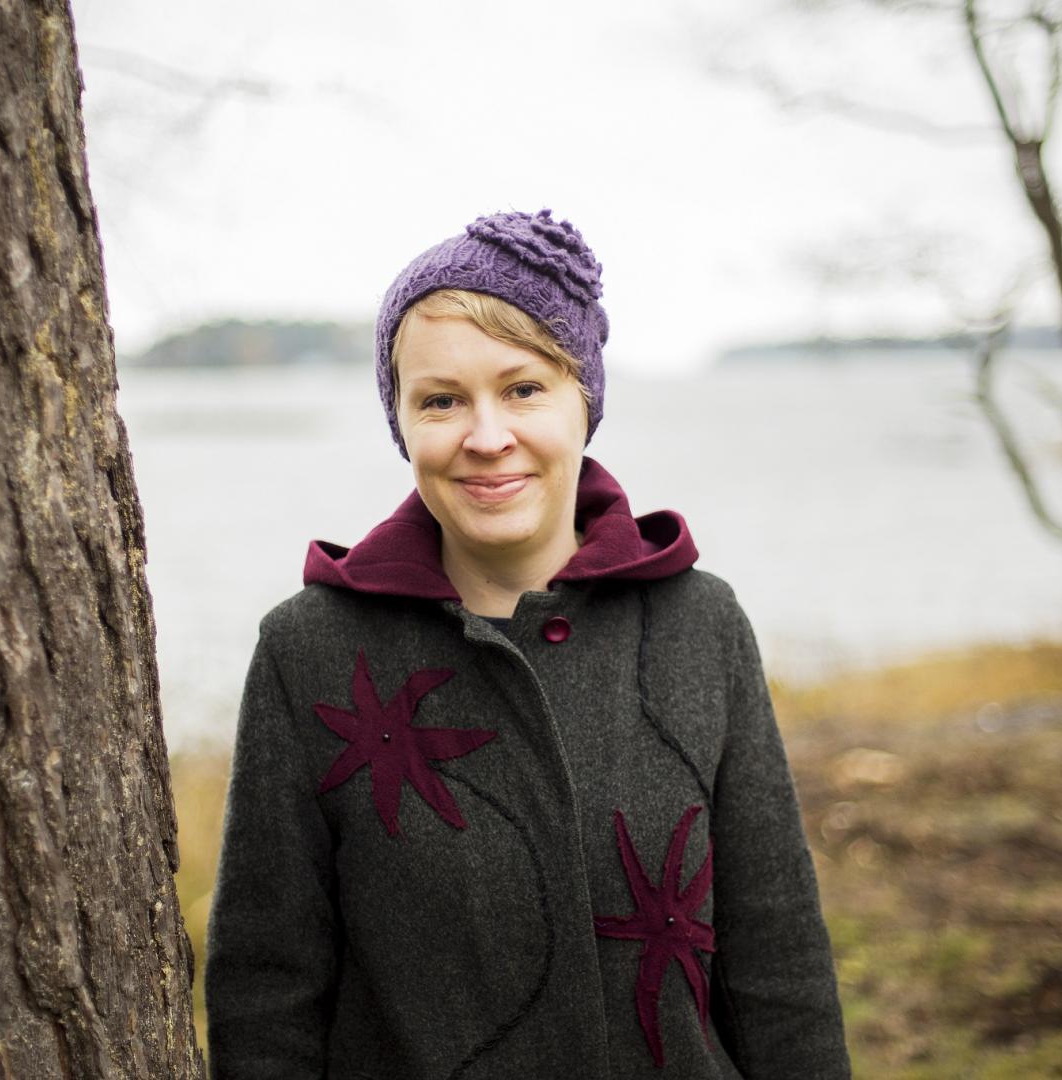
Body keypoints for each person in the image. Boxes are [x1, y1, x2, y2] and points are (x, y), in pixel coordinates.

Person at [204, 208, 851, 1078]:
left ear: (584, 399)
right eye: (441, 400)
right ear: (402, 422)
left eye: (523, 389)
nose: (486, 437)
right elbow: (267, 992)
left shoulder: (698, 626)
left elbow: (778, 965)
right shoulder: (311, 650)